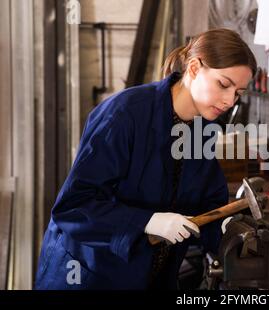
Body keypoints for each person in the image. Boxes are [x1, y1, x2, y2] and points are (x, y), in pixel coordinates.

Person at [34, 28, 257, 290]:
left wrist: (226, 227)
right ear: (195, 68)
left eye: (239, 93)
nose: (230, 100)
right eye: (223, 84)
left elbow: (207, 205)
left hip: (152, 277)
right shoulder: (123, 115)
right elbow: (74, 208)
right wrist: (148, 222)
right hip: (88, 275)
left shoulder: (202, 130)